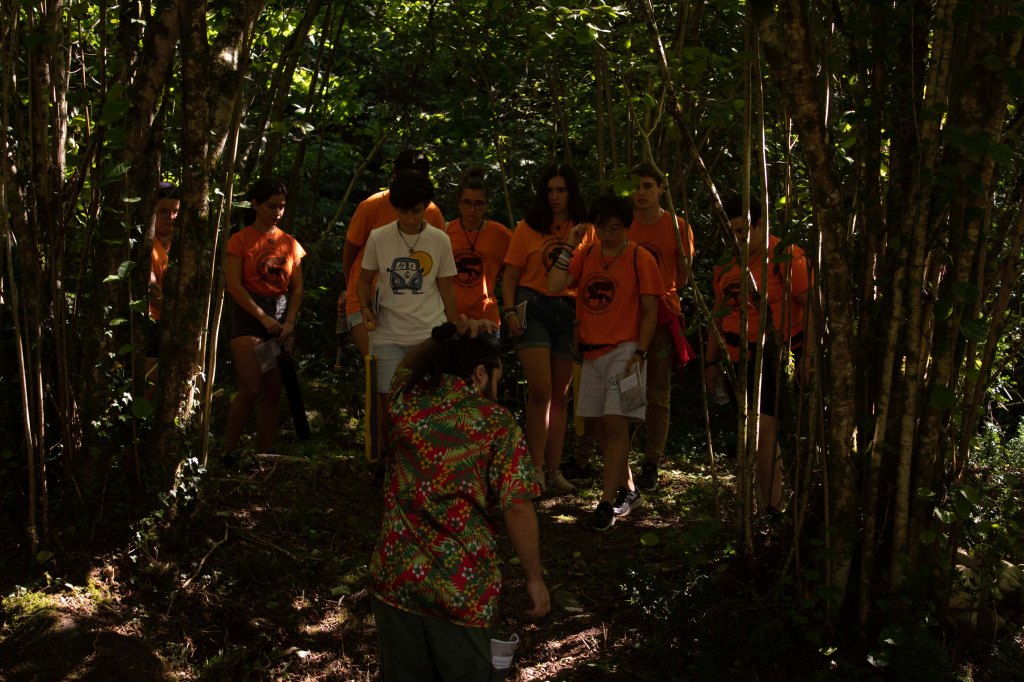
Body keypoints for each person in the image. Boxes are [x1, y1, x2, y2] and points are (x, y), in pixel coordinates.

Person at [370, 322, 549, 680]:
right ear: (480, 373)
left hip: (395, 577)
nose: (497, 389)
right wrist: (534, 577)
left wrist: (439, 337)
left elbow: (404, 366)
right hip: (461, 587)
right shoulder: (495, 421)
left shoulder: (406, 401)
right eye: (496, 378)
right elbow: (517, 504)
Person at [548, 194, 663, 531]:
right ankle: (628, 490)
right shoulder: (586, 254)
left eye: (615, 228)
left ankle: (605, 502)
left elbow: (651, 311)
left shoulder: (640, 258)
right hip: (591, 353)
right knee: (600, 427)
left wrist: (640, 353)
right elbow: (554, 284)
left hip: (625, 352)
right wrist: (571, 245)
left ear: (626, 227)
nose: (609, 234)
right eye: (602, 227)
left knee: (616, 425)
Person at [704, 196, 811, 515]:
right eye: (731, 232)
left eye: (742, 231)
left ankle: (773, 508)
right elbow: (718, 314)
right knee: (754, 434)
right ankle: (769, 507)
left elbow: (812, 305)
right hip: (740, 361)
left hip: (781, 356)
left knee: (765, 431)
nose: (737, 238)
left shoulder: (785, 255)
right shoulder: (725, 265)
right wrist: (710, 361)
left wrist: (808, 357)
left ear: (760, 225)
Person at [503, 163, 593, 495]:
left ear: (572, 192)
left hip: (569, 311)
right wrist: (509, 311)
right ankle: (534, 469)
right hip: (533, 306)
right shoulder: (527, 227)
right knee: (540, 389)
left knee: (560, 393)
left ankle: (553, 471)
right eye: (549, 190)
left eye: (561, 190)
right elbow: (511, 276)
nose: (555, 197)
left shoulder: (586, 229)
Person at [357, 169, 460, 437]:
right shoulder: (379, 237)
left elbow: (447, 289)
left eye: (417, 211)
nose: (411, 219)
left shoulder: (440, 239)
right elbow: (363, 281)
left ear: (427, 206)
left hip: (428, 333)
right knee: (390, 404)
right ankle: (393, 458)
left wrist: (454, 330)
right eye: (403, 212)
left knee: (428, 404)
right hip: (387, 333)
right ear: (395, 208)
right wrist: (365, 307)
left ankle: (423, 458)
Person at [223, 178, 305, 463]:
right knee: (250, 388)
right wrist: (262, 317)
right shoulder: (240, 239)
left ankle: (265, 456)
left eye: (282, 206)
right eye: (272, 206)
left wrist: (289, 323)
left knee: (272, 392)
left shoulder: (290, 242)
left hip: (280, 317)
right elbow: (234, 285)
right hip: (249, 316)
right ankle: (228, 453)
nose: (277, 212)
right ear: (256, 205)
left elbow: (297, 289)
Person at [626, 163, 696, 490]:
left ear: (661, 189)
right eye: (636, 187)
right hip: (626, 316)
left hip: (663, 315)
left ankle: (651, 462)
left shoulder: (678, 227)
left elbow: (682, 277)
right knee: (625, 386)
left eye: (647, 186)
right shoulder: (624, 225)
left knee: (657, 390)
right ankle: (618, 457)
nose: (640, 193)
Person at [338, 149, 445, 357]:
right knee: (376, 366)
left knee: (412, 371)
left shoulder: (432, 212)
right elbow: (350, 252)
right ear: (394, 177)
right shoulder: (371, 206)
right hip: (366, 302)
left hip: (411, 308)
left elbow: (438, 265)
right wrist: (352, 289)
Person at [444, 167, 512, 344]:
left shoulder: (500, 234)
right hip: (451, 319)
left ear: (486, 205)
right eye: (467, 202)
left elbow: (516, 269)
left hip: (486, 319)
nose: (472, 209)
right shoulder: (445, 231)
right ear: (459, 204)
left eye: (478, 203)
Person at [145, 181, 181, 395]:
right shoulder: (148, 243)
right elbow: (151, 287)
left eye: (175, 212)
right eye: (164, 212)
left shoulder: (180, 243)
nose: (171, 217)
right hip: (153, 321)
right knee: (151, 383)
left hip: (177, 322)